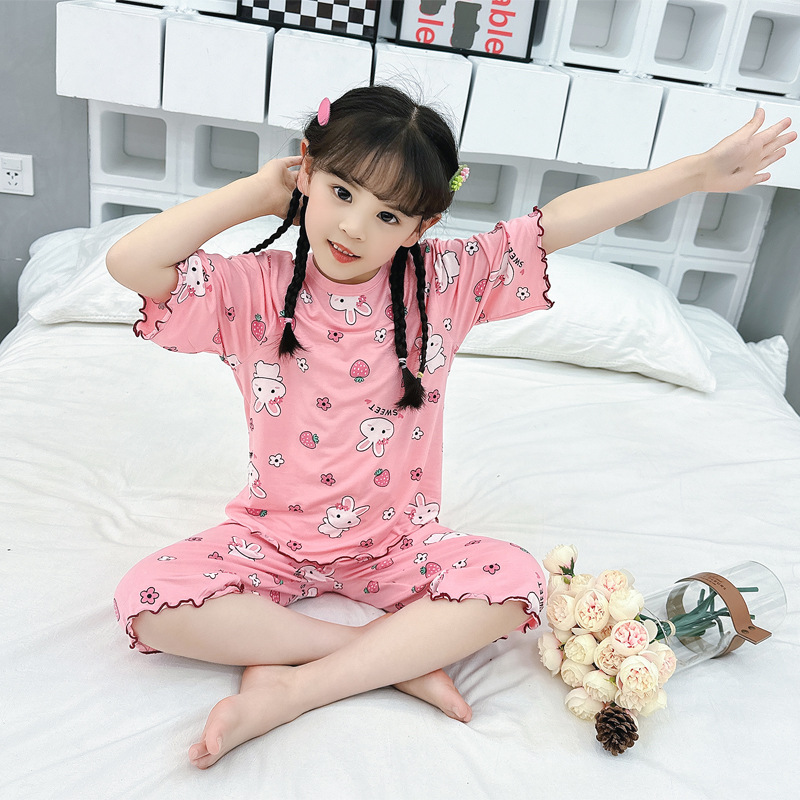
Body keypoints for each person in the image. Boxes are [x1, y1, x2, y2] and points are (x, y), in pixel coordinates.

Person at [106, 85, 794, 770]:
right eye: (341, 193)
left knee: (518, 584)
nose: (354, 228)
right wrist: (260, 192)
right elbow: (130, 262)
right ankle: (383, 658)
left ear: (420, 227)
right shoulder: (251, 288)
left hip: (396, 543)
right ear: (307, 172)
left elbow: (555, 223)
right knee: (146, 601)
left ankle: (296, 688)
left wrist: (696, 173)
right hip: (272, 538)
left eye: (387, 214)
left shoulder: (442, 284)